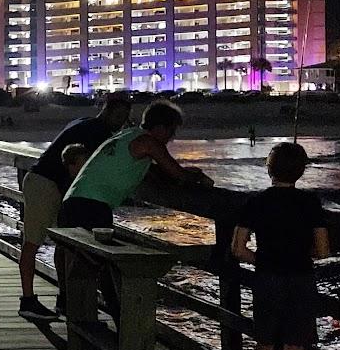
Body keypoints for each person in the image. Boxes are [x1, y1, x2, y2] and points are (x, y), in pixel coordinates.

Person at [56, 99, 213, 322]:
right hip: (92, 207)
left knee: (88, 269)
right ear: (161, 128)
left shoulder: (125, 136)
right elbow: (177, 174)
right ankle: (123, 330)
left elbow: (151, 171)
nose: (171, 138)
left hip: (73, 203)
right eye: (171, 132)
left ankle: (83, 319)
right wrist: (197, 176)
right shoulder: (149, 143)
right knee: (109, 274)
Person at [231, 141, 329, 350]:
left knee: (263, 349)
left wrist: (265, 259)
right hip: (299, 278)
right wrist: (298, 254)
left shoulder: (256, 202)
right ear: (300, 171)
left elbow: (238, 249)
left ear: (269, 169)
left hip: (268, 279)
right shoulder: (310, 203)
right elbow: (323, 250)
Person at [17, 92, 133, 322]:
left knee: (64, 244)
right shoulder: (98, 133)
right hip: (45, 184)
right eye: (119, 116)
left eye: (125, 117)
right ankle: (28, 301)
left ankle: (66, 298)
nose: (120, 122)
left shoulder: (83, 122)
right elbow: (87, 166)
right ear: (107, 111)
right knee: (32, 242)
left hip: (45, 182)